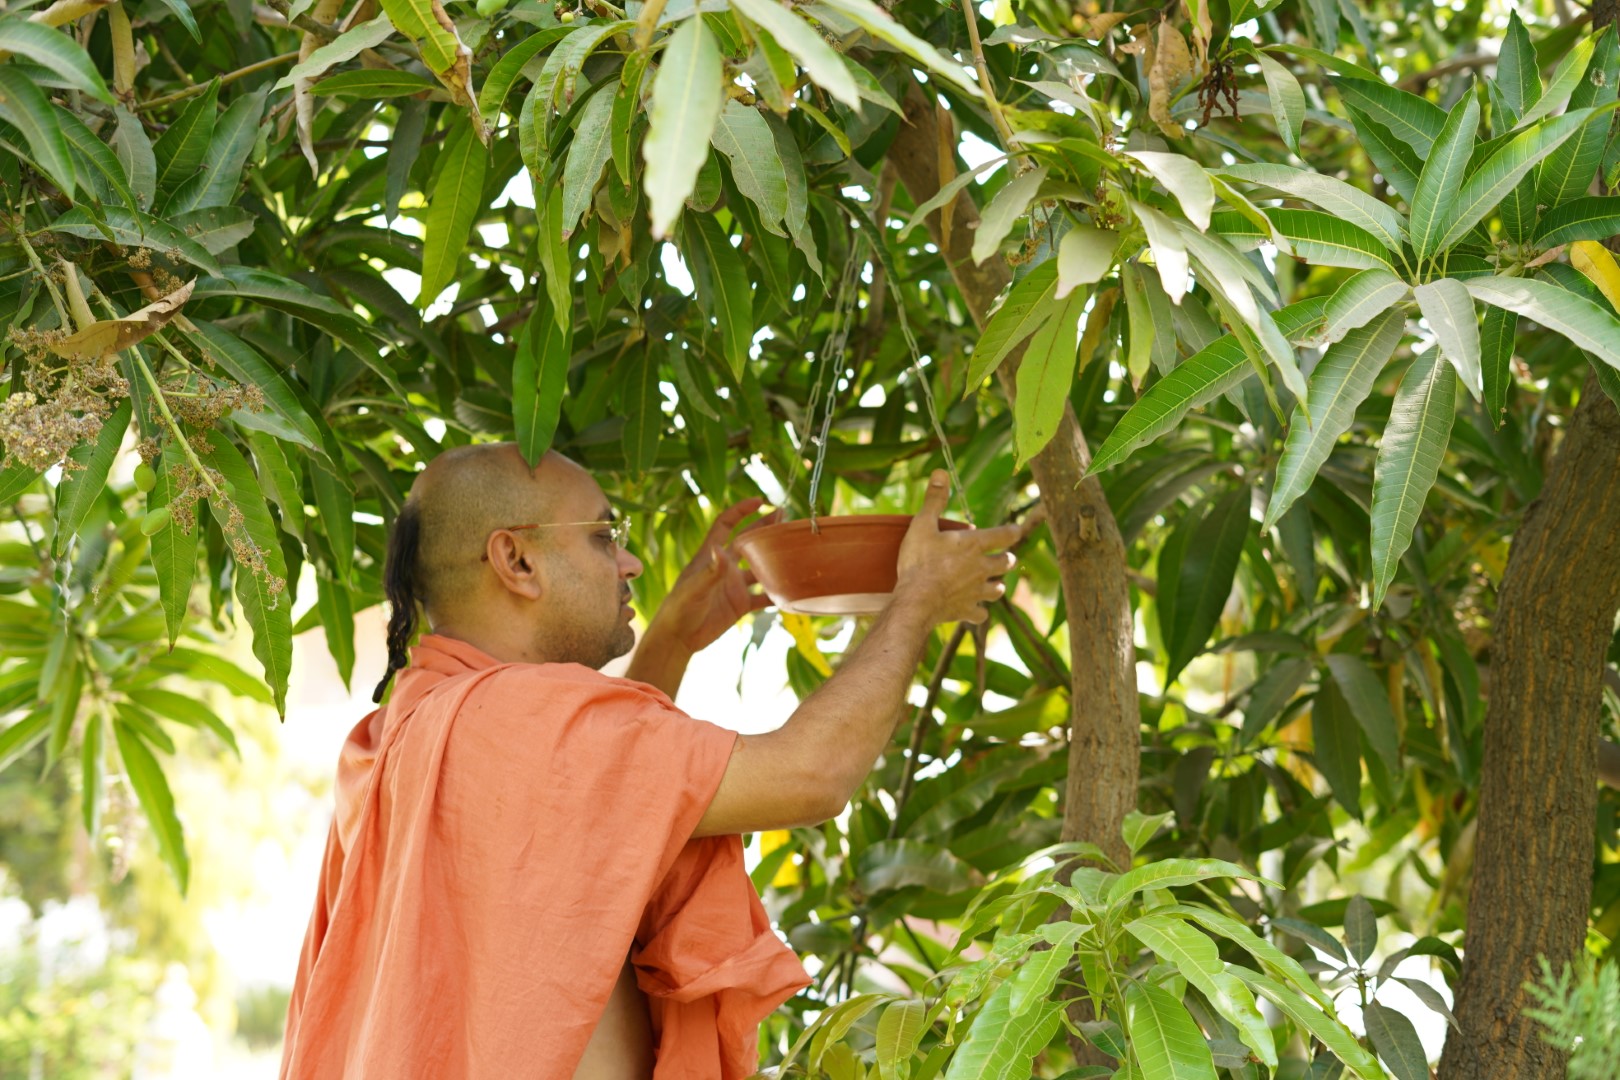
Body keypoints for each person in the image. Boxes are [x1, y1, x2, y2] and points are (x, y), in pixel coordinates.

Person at [278, 443, 1019, 1079]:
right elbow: (810, 775)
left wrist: (671, 641)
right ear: (517, 560)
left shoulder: (403, 729)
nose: (630, 561)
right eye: (604, 536)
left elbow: (594, 813)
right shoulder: (523, 720)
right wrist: (917, 599)